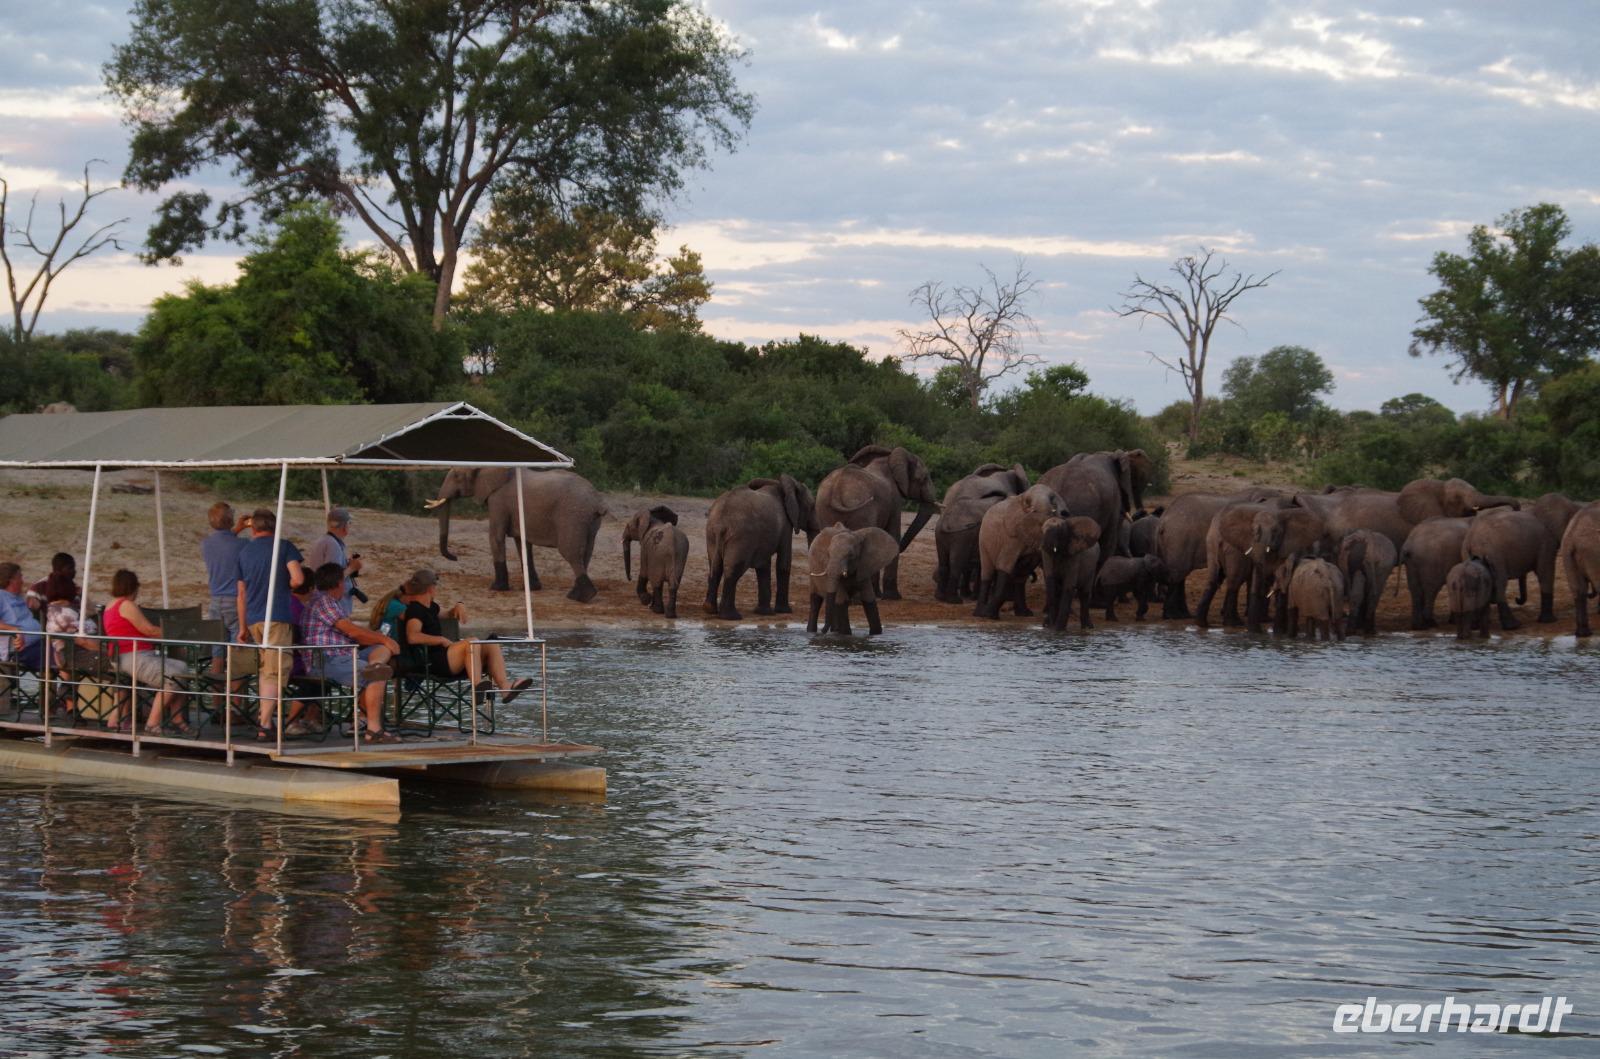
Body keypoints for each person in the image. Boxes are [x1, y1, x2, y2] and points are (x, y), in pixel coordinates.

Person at [301, 563, 400, 742]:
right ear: (340, 583)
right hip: (327, 661)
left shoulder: (324, 600)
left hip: (342, 655)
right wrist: (384, 638)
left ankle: (374, 665)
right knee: (378, 674)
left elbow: (352, 632)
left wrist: (378, 639)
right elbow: (352, 631)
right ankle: (373, 730)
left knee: (380, 652)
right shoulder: (324, 601)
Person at [400, 568, 532, 703]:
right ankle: (478, 687)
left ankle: (505, 689)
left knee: (491, 644)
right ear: (430, 588)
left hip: (446, 658)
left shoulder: (431, 606)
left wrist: (459, 605)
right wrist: (441, 640)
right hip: (431, 662)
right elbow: (413, 636)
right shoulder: (415, 610)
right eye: (435, 585)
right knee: (471, 642)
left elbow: (448, 614)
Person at [235, 509, 306, 736]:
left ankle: (265, 721)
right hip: (276, 616)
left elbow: (241, 594)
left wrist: (242, 627)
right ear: (274, 527)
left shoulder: (244, 552)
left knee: (266, 670)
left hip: (253, 618)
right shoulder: (283, 547)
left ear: (253, 529)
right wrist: (287, 584)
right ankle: (264, 725)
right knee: (275, 671)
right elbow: (298, 579)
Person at [102, 569, 191, 733]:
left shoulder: (110, 605)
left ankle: (176, 718)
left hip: (125, 656)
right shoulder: (126, 605)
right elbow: (149, 630)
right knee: (173, 677)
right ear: (133, 587)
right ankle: (152, 723)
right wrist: (176, 632)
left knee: (182, 668)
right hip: (132, 656)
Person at [202, 502, 251, 675]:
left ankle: (216, 692)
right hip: (236, 600)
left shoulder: (206, 544)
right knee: (239, 652)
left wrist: (236, 529)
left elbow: (224, 544)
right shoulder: (243, 544)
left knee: (218, 653)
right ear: (230, 519)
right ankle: (237, 692)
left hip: (216, 600)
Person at [305, 507, 363, 618]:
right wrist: (352, 568)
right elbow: (331, 579)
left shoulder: (324, 541)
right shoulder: (332, 544)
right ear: (345, 526)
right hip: (333, 604)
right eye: (349, 524)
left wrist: (346, 564)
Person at [42, 572, 101, 677]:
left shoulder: (63, 609)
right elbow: (82, 641)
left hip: (77, 654)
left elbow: (92, 611)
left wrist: (82, 594)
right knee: (120, 663)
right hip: (77, 657)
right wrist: (106, 650)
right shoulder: (63, 615)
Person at [0, 562, 45, 672]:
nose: (22, 581)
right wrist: (14, 629)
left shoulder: (18, 596)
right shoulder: (1, 596)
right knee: (59, 655)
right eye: (20, 577)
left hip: (37, 643)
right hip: (19, 651)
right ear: (11, 580)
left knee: (63, 648)